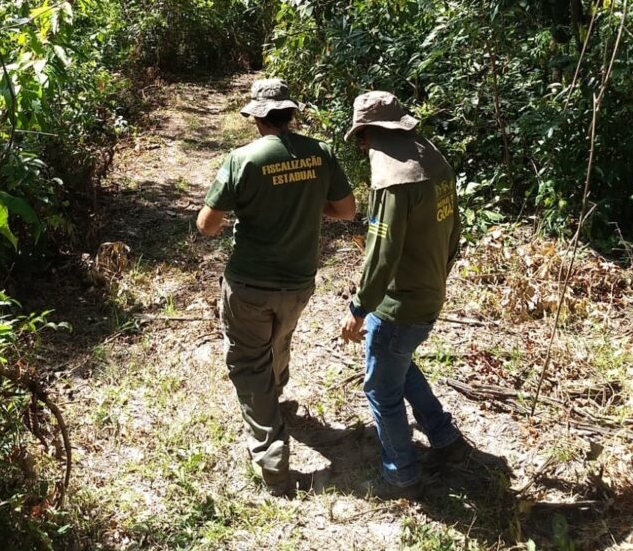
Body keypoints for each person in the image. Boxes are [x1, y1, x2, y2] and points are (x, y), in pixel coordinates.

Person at [197, 78, 356, 494]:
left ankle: (273, 464)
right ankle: (276, 396)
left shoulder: (242, 159)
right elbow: (346, 210)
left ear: (255, 117)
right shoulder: (319, 154)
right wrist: (304, 203)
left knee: (249, 363)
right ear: (290, 114)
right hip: (299, 281)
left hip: (250, 282)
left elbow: (207, 225)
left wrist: (249, 209)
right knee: (279, 339)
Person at [339, 91, 469, 499]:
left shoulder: (393, 180)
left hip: (399, 305)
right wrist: (440, 276)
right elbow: (455, 231)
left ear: (371, 133)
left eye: (361, 139)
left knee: (381, 388)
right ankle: (443, 434)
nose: (362, 147)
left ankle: (401, 474)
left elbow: (381, 255)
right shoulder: (434, 161)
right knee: (400, 364)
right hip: (430, 291)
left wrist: (358, 308)